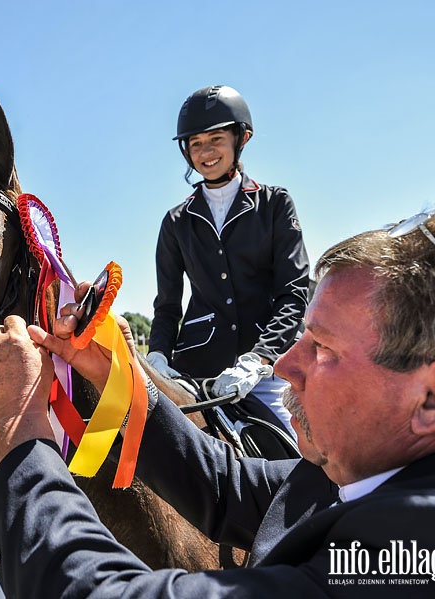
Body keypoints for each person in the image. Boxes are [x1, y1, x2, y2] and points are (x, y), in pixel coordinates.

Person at [0, 199, 435, 596]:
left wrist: (20, 426)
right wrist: (123, 379)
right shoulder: (369, 468)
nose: (288, 365)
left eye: (324, 348)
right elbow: (228, 485)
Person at [146, 85, 309, 435]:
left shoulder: (275, 204)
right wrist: (158, 355)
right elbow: (168, 306)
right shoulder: (175, 221)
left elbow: (293, 294)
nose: (205, 152)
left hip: (265, 373)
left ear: (241, 138)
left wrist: (258, 358)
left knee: (302, 457)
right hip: (196, 371)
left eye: (216, 139)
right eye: (195, 144)